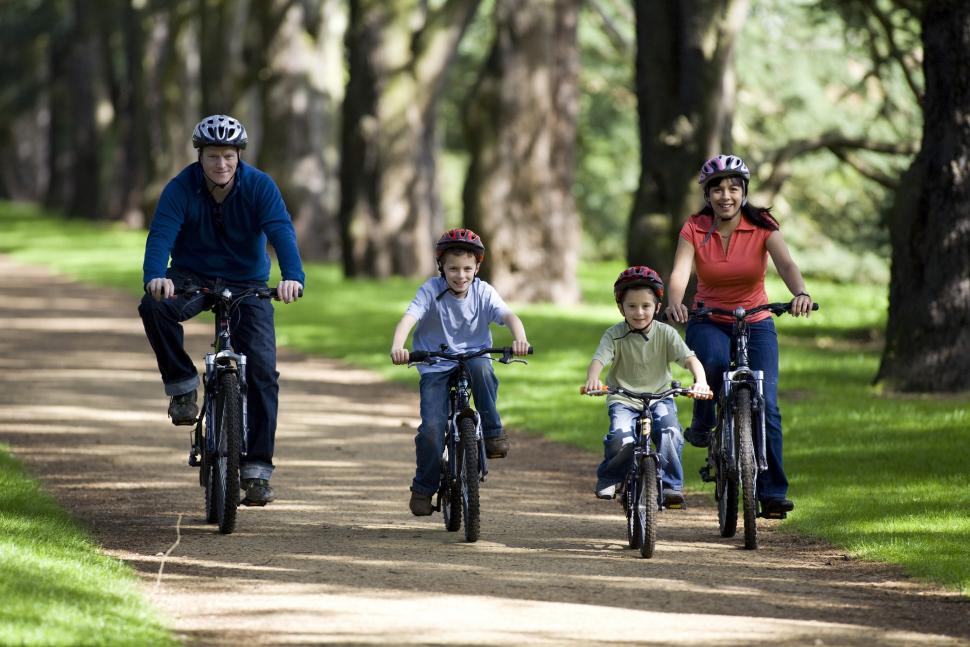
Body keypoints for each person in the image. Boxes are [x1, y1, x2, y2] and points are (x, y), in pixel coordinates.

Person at [138, 114, 304, 507]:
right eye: (213, 156)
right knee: (154, 307)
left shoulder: (260, 186)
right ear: (200, 156)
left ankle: (258, 471)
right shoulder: (181, 188)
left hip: (248, 284)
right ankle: (182, 389)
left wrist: (292, 276)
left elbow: (281, 230)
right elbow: (161, 234)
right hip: (192, 277)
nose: (221, 165)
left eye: (228, 156)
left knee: (263, 372)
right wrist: (155, 276)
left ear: (238, 156)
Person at [664, 153, 813, 516]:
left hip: (757, 318)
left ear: (743, 191)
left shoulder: (762, 224)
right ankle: (703, 422)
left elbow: (787, 264)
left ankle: (773, 493)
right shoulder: (695, 227)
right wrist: (675, 302)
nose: (725, 195)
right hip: (709, 316)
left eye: (733, 188)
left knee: (769, 405)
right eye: (718, 189)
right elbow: (680, 273)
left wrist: (801, 293)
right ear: (708, 194)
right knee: (712, 363)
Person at [390, 228, 530, 516]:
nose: (460, 275)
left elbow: (508, 316)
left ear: (478, 267)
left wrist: (520, 338)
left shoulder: (483, 291)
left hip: (474, 356)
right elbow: (410, 317)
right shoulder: (430, 290)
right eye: (453, 268)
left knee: (482, 369)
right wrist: (398, 345)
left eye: (468, 268)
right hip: (435, 363)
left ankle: (492, 432)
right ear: (441, 266)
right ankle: (423, 487)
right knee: (431, 428)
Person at [585, 266, 711, 505]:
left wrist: (701, 381)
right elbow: (598, 360)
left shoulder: (666, 334)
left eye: (646, 306)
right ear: (620, 307)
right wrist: (594, 379)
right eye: (631, 306)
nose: (639, 312)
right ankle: (611, 478)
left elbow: (690, 360)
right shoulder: (614, 334)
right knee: (620, 439)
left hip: (661, 397)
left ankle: (671, 486)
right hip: (624, 399)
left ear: (657, 307)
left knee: (670, 432)